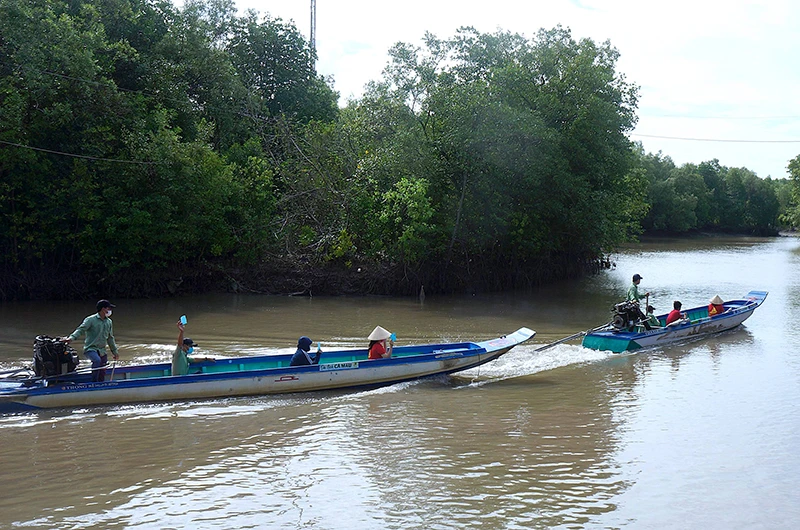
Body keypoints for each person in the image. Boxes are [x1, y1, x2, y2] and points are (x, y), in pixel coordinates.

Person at [62, 299, 119, 382]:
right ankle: (94, 382)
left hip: (102, 350)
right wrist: (71, 338)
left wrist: (115, 352)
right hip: (90, 349)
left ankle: (101, 385)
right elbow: (81, 329)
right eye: (109, 308)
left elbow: (110, 338)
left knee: (102, 369)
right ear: (103, 309)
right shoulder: (90, 320)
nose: (110, 311)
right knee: (97, 360)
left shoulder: (109, 322)